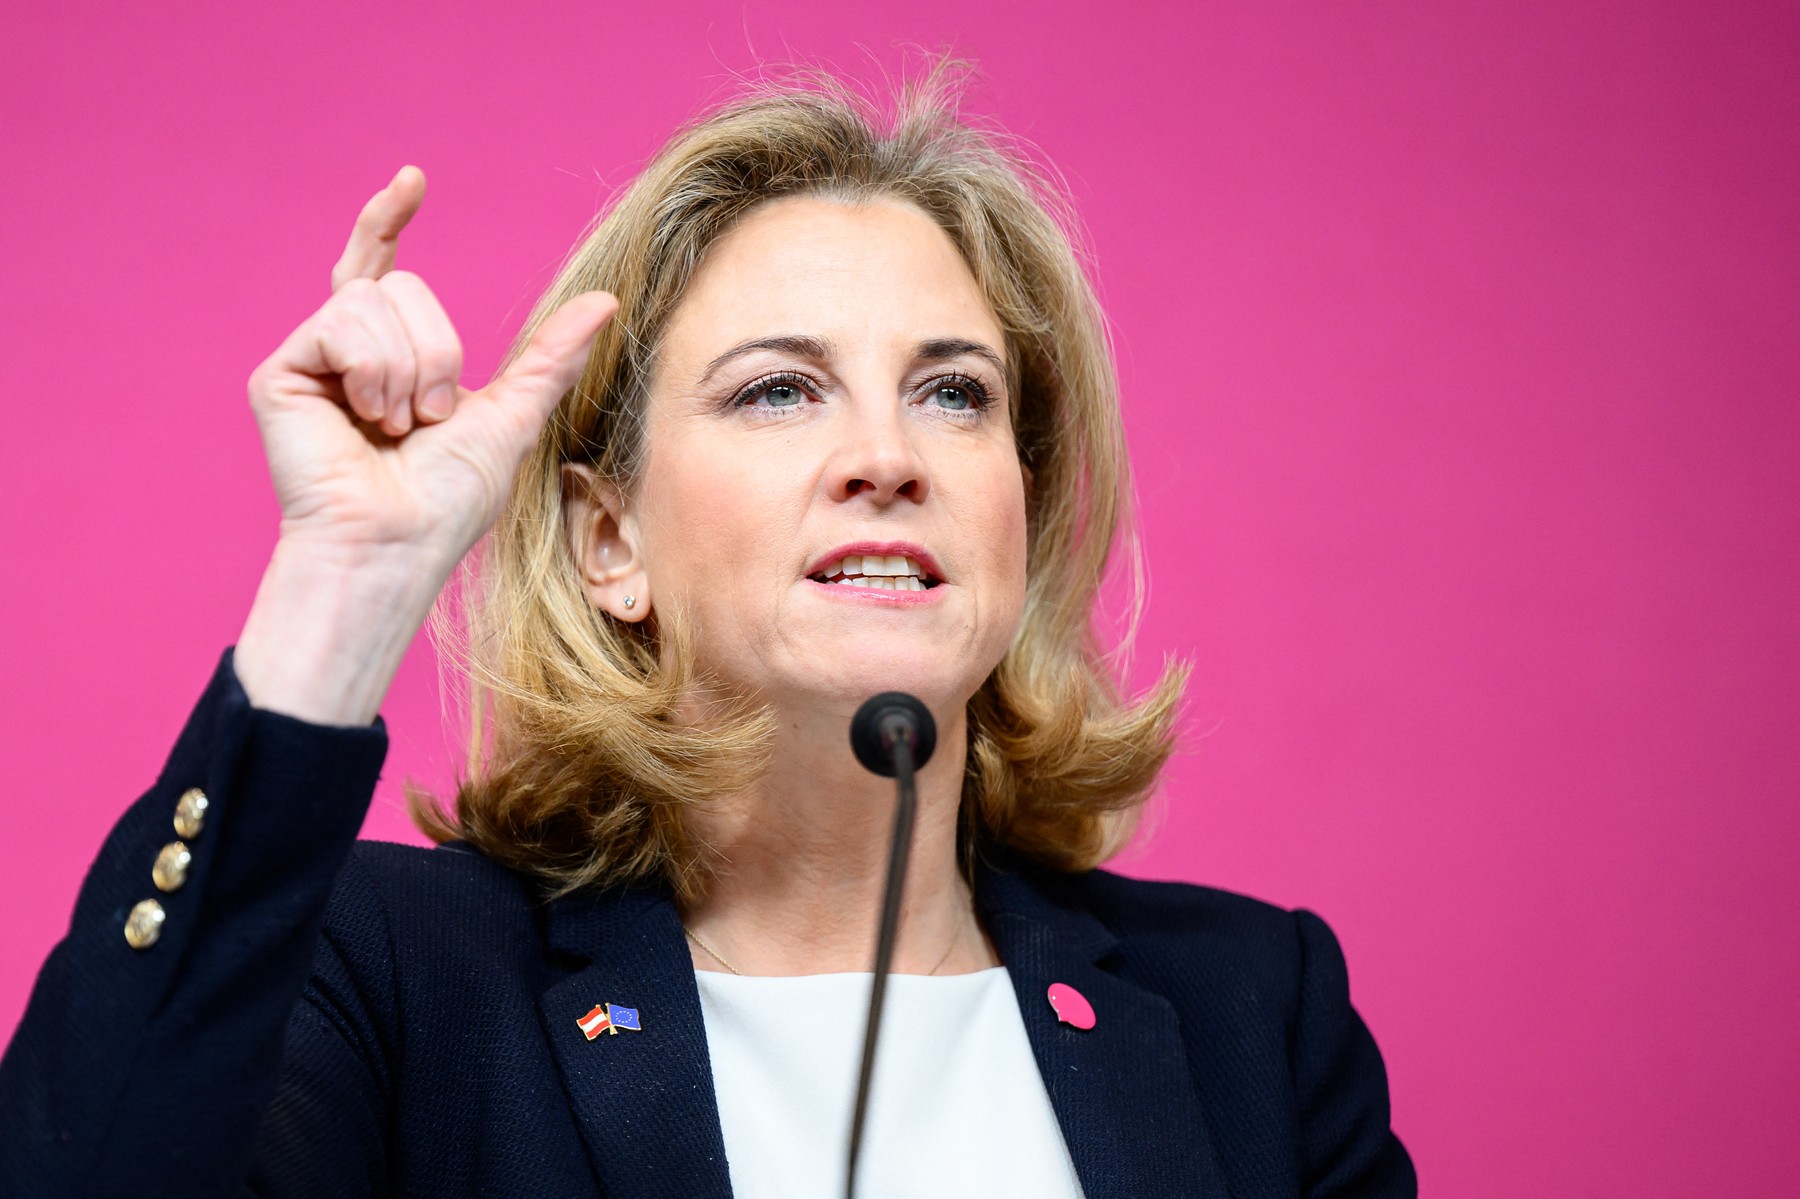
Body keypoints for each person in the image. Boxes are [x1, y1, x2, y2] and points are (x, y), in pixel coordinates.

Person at [0, 60, 1416, 1198]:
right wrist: (342, 589)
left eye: (955, 393)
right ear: (612, 540)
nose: (888, 455)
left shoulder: (1251, 1011)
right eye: (778, 391)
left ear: (1020, 509)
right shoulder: (392, 974)